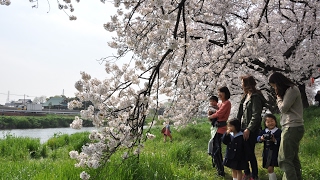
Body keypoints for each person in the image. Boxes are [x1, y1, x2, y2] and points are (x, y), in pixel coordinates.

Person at [268, 72, 304, 180]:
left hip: (292, 127)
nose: (275, 89)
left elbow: (283, 108)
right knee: (292, 158)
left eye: (274, 86)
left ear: (278, 83)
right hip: (292, 127)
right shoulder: (291, 90)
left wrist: (278, 98)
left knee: (284, 159)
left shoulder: (292, 89)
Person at [237, 75, 267, 180]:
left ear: (247, 84)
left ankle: (254, 175)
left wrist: (248, 129)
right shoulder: (245, 96)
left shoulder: (255, 96)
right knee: (242, 151)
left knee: (249, 152)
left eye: (242, 83)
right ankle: (247, 172)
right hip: (242, 127)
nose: (241, 85)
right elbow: (240, 113)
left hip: (251, 129)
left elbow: (256, 115)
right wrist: (236, 127)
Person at [208, 86, 231, 177]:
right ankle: (219, 169)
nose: (219, 94)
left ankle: (221, 172)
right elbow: (214, 109)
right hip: (216, 128)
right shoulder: (221, 103)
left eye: (220, 92)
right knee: (215, 150)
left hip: (221, 129)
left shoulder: (227, 103)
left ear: (225, 93)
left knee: (217, 150)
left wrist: (211, 116)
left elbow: (219, 113)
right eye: (218, 93)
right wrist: (210, 112)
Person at [257, 114, 282, 180]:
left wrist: (274, 140)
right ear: (265, 123)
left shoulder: (279, 131)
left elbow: (282, 141)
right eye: (268, 122)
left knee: (281, 166)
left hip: (276, 152)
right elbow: (257, 138)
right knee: (269, 168)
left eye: (272, 121)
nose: (270, 123)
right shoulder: (264, 131)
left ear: (275, 121)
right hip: (267, 153)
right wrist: (261, 138)